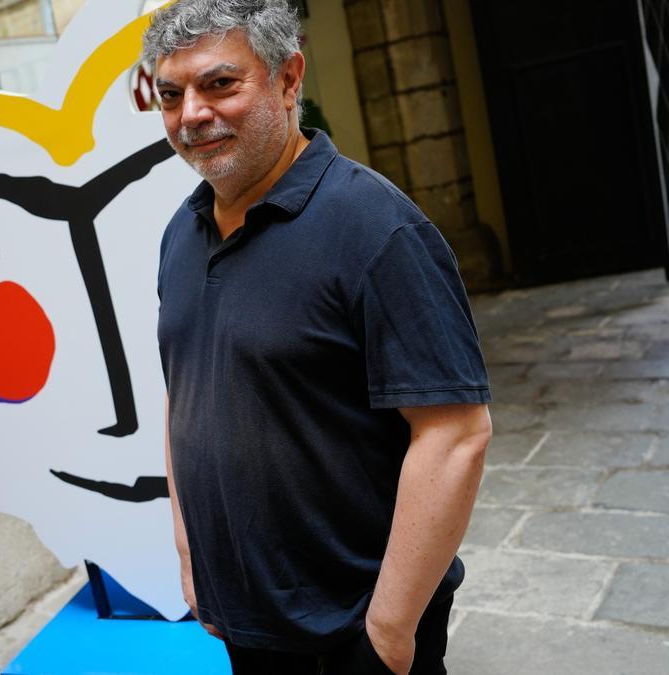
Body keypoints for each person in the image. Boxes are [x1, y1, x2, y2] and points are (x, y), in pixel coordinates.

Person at [145, 1, 493, 673]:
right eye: (171, 94)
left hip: (353, 632)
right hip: (249, 622)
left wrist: (386, 632)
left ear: (286, 78)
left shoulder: (376, 228)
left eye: (220, 84)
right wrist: (194, 559)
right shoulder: (180, 237)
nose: (191, 113)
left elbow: (456, 432)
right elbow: (183, 392)